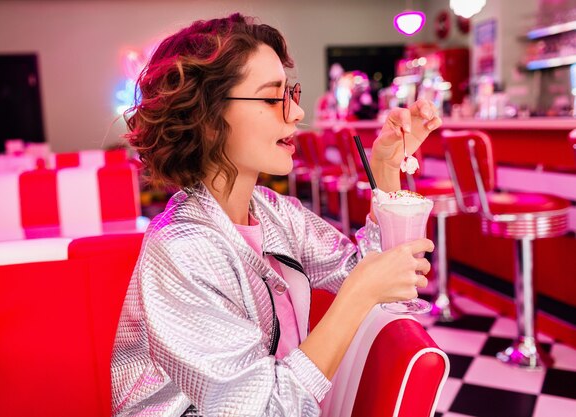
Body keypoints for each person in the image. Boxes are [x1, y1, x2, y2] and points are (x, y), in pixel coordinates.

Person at [111, 13, 442, 417]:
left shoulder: (273, 210)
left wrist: (387, 168)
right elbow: (263, 410)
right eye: (272, 98)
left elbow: (370, 270)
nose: (297, 112)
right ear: (208, 119)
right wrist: (359, 294)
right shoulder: (181, 250)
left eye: (291, 92)